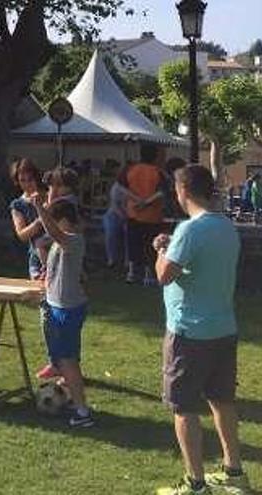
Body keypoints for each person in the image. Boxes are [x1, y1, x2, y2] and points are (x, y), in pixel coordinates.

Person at [153, 166, 250, 495]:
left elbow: (164, 275)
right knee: (222, 400)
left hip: (189, 331)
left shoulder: (189, 230)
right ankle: (234, 471)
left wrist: (161, 250)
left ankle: (195, 482)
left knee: (183, 407)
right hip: (223, 328)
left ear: (183, 191)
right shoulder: (227, 226)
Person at [30, 194, 94, 428]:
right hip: (58, 306)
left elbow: (53, 233)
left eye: (55, 221)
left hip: (68, 309)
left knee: (67, 362)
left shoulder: (73, 239)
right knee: (65, 360)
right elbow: (41, 243)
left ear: (64, 220)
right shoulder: (61, 241)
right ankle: (71, 399)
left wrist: (39, 207)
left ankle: (82, 411)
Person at [125, 144, 166, 286]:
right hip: (152, 215)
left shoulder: (131, 170)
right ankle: (149, 275)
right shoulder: (157, 172)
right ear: (155, 156)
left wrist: (136, 201)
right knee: (150, 246)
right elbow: (162, 192)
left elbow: (121, 188)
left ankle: (131, 273)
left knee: (133, 244)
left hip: (133, 213)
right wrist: (146, 202)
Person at [8, 159, 46, 280]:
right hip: (36, 255)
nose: (27, 184)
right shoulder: (18, 205)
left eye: (30, 179)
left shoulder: (49, 196)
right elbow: (22, 235)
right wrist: (40, 221)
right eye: (22, 181)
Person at [102, 163, 141, 269]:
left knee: (130, 234)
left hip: (131, 215)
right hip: (114, 214)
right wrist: (124, 218)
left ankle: (128, 262)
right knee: (111, 231)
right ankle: (112, 259)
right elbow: (115, 206)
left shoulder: (136, 187)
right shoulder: (117, 187)